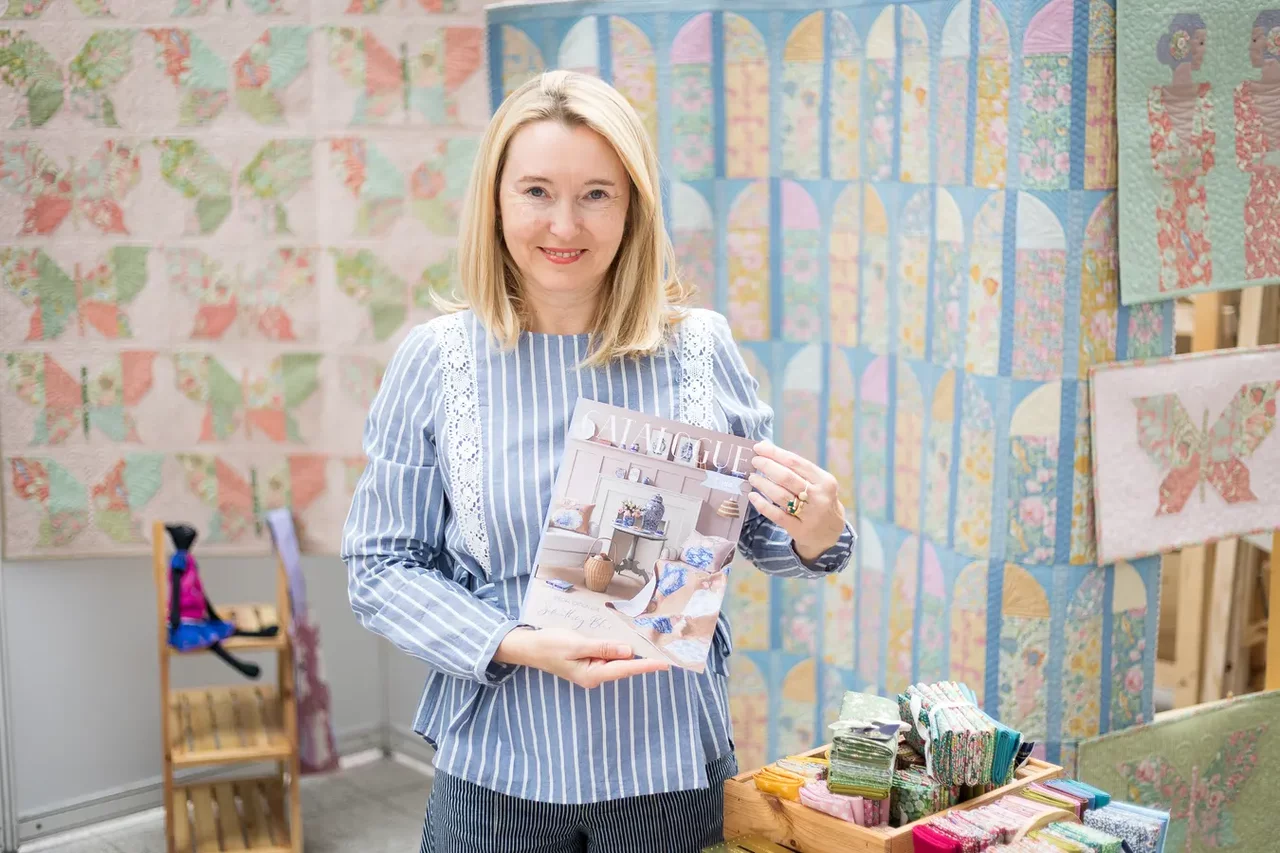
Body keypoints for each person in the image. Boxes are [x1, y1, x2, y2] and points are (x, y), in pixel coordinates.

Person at [342, 70, 855, 853]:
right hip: (498, 766)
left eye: (595, 194)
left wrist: (817, 529)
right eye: (536, 191)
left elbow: (759, 535)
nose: (564, 223)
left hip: (667, 768)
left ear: (633, 207)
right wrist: (515, 640)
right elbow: (380, 566)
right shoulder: (436, 360)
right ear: (495, 201)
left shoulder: (699, 347)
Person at [1148, 13, 1215, 293]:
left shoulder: (1206, 94)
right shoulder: (1155, 98)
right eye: (1200, 43)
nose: (1204, 50)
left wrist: (1176, 163)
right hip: (1167, 208)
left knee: (1199, 268)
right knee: (1170, 269)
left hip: (1197, 205)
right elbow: (1154, 160)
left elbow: (1209, 158)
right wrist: (1188, 163)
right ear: (1182, 45)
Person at [1234, 10, 1280, 280]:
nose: (1250, 46)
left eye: (1255, 39)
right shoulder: (1243, 92)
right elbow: (1242, 157)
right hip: (1259, 203)